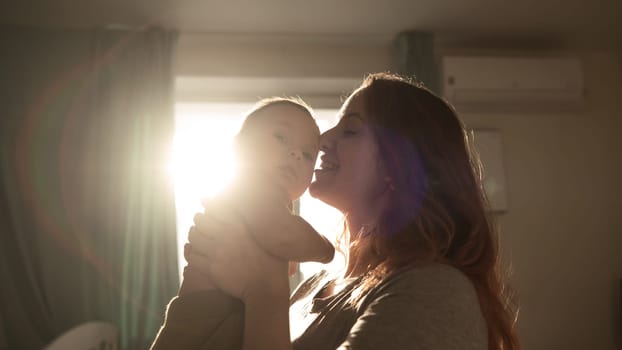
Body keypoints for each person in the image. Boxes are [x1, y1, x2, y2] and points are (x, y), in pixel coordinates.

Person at [153, 72, 520, 350]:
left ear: (399, 166)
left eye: (350, 131)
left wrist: (264, 289)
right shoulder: (312, 286)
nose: (322, 140)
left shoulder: (434, 290)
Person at [151, 97, 334, 350]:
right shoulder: (254, 186)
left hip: (214, 316)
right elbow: (283, 234)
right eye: (281, 138)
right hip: (205, 320)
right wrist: (326, 249)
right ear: (240, 148)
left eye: (307, 154)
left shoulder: (263, 199)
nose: (295, 154)